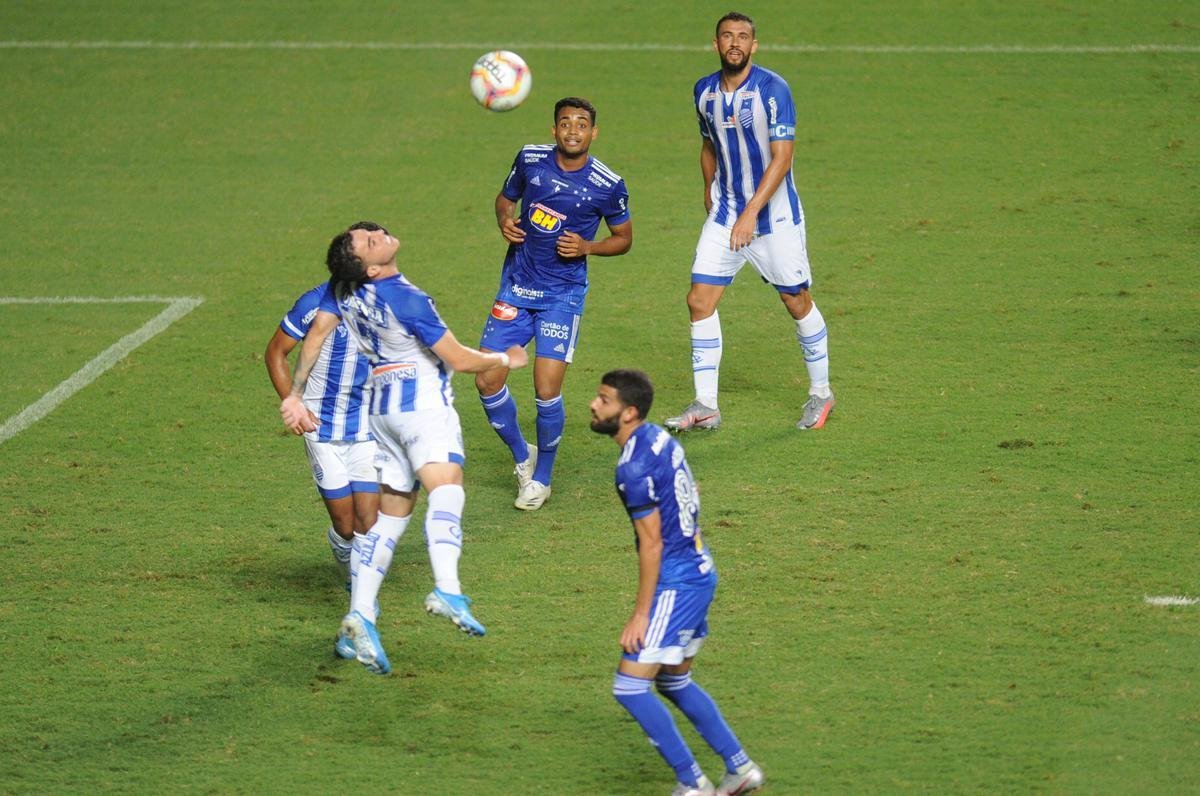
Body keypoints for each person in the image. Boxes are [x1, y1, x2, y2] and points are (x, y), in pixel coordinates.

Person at [281, 221, 528, 675]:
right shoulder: (407, 300)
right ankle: (448, 588)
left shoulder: (343, 289)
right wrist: (503, 358)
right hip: (420, 408)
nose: (379, 235)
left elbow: (315, 335)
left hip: (380, 414)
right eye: (370, 242)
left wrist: (294, 394)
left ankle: (360, 615)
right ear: (370, 269)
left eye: (374, 233)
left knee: (390, 518)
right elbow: (458, 359)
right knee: (447, 485)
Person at [590, 369, 765, 796]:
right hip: (700, 568)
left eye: (604, 400)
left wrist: (641, 615)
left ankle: (693, 784)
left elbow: (651, 545)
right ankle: (740, 769)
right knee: (672, 679)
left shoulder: (631, 468)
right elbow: (691, 489)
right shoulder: (658, 439)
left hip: (678, 581)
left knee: (630, 687)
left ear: (629, 412)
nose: (594, 405)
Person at [666, 11, 835, 433]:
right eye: (727, 36)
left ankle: (821, 392)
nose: (735, 43)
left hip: (773, 217)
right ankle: (706, 405)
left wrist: (749, 214)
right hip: (726, 214)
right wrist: (708, 189)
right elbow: (709, 144)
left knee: (796, 300)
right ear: (716, 43)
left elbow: (782, 158)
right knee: (699, 301)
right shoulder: (703, 91)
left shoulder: (773, 89)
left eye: (743, 37)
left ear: (753, 46)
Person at [475, 97, 633, 511]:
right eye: (566, 123)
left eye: (582, 124)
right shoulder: (530, 160)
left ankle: (541, 478)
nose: (573, 131)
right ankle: (520, 453)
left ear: (593, 133)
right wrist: (504, 219)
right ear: (554, 130)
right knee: (486, 381)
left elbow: (624, 238)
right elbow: (505, 197)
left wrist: (588, 246)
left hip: (562, 296)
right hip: (515, 288)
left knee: (546, 389)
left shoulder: (607, 184)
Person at [265, 279, 379, 654]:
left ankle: (359, 616)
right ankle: (344, 554)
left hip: (366, 429)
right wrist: (292, 404)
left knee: (369, 523)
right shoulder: (314, 304)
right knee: (345, 526)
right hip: (322, 430)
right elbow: (276, 353)